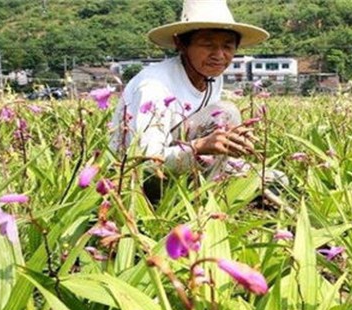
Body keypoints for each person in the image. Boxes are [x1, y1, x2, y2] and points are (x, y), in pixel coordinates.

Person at [110, 0, 274, 203]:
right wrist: (200, 146)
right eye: (207, 45)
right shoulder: (154, 86)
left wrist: (227, 145)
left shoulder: (212, 77)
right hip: (138, 180)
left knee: (274, 179)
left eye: (227, 46)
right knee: (226, 112)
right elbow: (145, 162)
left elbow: (205, 132)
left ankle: (213, 190)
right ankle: (205, 205)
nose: (219, 55)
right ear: (180, 43)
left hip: (182, 166)